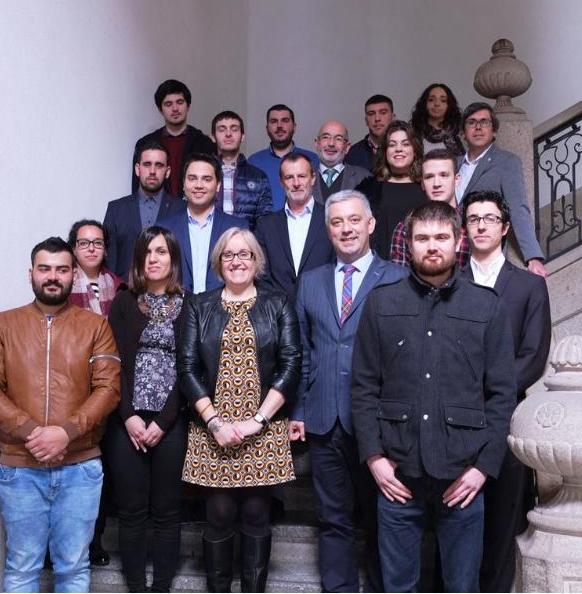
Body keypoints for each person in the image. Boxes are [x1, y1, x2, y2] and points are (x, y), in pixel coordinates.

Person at [350, 201, 517, 592]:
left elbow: (502, 394)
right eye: (422, 238)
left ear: (458, 241)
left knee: (462, 586)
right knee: (397, 586)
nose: (432, 246)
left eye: (441, 237)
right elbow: (363, 386)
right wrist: (374, 458)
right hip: (397, 473)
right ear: (408, 245)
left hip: (463, 476)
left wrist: (482, 468)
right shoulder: (381, 302)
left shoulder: (486, 305)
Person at [0, 237, 120, 592]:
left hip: (80, 467)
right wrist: (31, 432)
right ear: (31, 274)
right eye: (44, 269)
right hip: (21, 466)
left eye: (61, 269)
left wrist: (65, 432)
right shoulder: (3, 325)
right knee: (23, 566)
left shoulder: (96, 326)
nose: (53, 276)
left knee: (74, 567)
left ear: (73, 275)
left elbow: (109, 389)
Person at [291, 190, 408, 592]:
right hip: (324, 419)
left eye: (354, 220)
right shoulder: (310, 282)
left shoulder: (397, 278)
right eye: (337, 222)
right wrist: (299, 410)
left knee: (382, 516)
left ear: (370, 224)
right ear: (328, 230)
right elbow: (303, 352)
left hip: (378, 422)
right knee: (332, 518)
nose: (346, 229)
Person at [177, 228, 302, 592]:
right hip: (211, 426)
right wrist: (215, 422)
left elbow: (291, 364)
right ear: (219, 262)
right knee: (218, 514)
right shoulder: (199, 306)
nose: (236, 261)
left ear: (256, 260)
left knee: (256, 513)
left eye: (244, 254)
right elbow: (187, 368)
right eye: (228, 255)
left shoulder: (278, 303)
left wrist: (257, 421)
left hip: (263, 425)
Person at [461, 190, 551, 592]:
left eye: (490, 219)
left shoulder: (529, 286)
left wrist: (488, 393)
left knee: (502, 522)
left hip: (508, 420)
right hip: (455, 422)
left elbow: (533, 355)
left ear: (505, 227)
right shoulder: (450, 281)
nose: (481, 225)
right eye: (473, 219)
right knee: (454, 523)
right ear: (464, 229)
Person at [104, 226, 189, 592]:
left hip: (171, 422)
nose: (153, 259)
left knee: (168, 512)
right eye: (147, 252)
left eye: (161, 251)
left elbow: (191, 369)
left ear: (173, 259)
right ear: (139, 259)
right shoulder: (124, 302)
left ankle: (162, 587)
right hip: (127, 421)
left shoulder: (190, 305)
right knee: (132, 511)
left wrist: (164, 421)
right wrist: (128, 416)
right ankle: (137, 586)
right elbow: (112, 364)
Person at [67, 218, 126, 567]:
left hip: (110, 390)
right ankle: (64, 544)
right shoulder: (61, 287)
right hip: (72, 392)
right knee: (72, 472)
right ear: (73, 248)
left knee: (101, 473)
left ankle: (95, 541)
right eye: (84, 242)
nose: (91, 248)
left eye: (98, 242)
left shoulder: (119, 287)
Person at [455, 101, 548, 277]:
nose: (478, 127)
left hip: (483, 256)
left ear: (494, 131)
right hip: (450, 255)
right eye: (471, 122)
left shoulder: (507, 162)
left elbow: (518, 208)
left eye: (484, 122)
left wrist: (533, 257)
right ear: (463, 132)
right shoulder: (453, 164)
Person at [159, 153, 247, 293]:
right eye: (192, 178)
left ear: (218, 185)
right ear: (184, 184)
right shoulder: (164, 229)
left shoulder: (237, 228)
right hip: (178, 304)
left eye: (206, 179)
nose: (199, 185)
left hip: (223, 305)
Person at [254, 151, 334, 300]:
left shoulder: (331, 219)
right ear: (281, 182)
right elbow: (261, 275)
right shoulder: (265, 226)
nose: (296, 183)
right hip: (278, 309)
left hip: (321, 306)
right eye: (289, 177)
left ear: (313, 178)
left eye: (302, 176)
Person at [104, 141, 186, 279]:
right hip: (126, 289)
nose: (152, 171)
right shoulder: (116, 209)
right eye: (147, 164)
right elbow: (109, 261)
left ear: (167, 172)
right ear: (137, 169)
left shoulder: (182, 209)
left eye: (159, 165)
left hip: (168, 289)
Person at [131, 79, 216, 198]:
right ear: (160, 110)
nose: (175, 108)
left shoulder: (204, 143)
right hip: (157, 208)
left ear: (188, 106)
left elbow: (213, 183)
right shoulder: (145, 144)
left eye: (180, 102)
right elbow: (137, 189)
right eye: (168, 104)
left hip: (194, 207)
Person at [390, 148, 470, 268]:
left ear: (457, 179)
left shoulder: (471, 223)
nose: (436, 184)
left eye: (444, 175)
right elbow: (399, 275)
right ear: (422, 183)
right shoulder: (405, 227)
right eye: (429, 177)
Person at [358, 121, 425, 260]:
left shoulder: (427, 187)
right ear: (385, 152)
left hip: (418, 264)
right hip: (377, 265)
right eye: (392, 144)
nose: (398, 149)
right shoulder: (369, 189)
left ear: (415, 150)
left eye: (405, 144)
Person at [248, 104, 319, 211]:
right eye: (274, 121)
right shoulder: (254, 161)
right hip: (264, 221)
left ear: (294, 127)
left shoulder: (312, 159)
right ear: (267, 128)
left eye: (285, 121)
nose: (279, 126)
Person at [210, 110, 273, 229]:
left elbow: (265, 222)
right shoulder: (203, 174)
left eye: (234, 129)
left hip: (246, 240)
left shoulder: (259, 177)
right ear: (213, 137)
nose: (228, 134)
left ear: (242, 136)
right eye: (222, 129)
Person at [312, 120, 371, 203]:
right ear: (317, 143)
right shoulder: (302, 177)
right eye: (326, 137)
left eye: (338, 139)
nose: (331, 143)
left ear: (347, 147)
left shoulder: (364, 177)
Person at [410, 83, 465, 157]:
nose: (437, 104)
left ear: (449, 105)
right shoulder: (412, 133)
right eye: (431, 100)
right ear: (425, 103)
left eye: (443, 100)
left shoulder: (459, 133)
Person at [346, 94, 395, 172]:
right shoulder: (353, 153)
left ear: (393, 118)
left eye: (383, 113)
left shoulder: (404, 150)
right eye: (371, 114)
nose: (377, 118)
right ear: (366, 121)